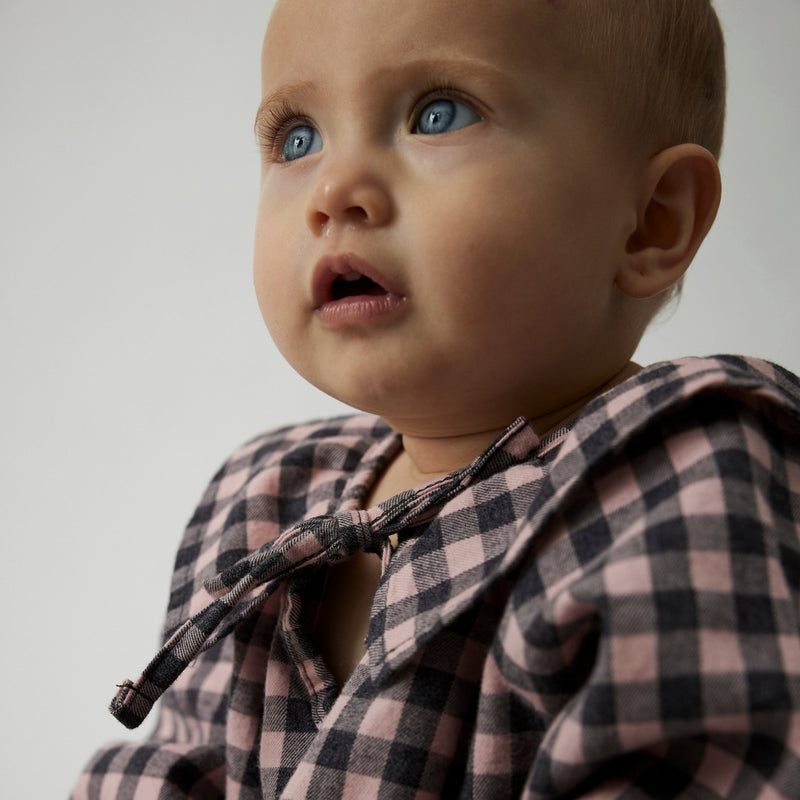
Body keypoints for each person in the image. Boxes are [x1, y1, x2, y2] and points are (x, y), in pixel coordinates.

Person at [72, 0, 800, 797]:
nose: (334, 189)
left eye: (437, 114)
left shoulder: (681, 469)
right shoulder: (263, 501)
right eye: (298, 138)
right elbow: (167, 769)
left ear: (650, 223)